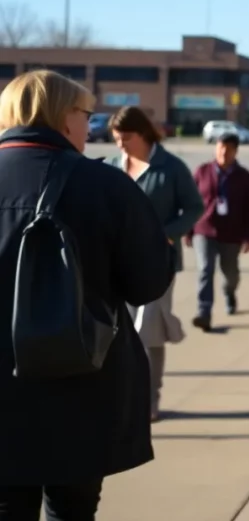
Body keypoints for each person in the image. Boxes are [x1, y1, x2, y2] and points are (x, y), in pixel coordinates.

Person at [0, 70, 171, 520]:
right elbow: (149, 283)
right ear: (61, 117)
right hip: (81, 383)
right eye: (86, 114)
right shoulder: (106, 185)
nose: (90, 126)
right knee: (73, 509)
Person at [107, 106, 203, 422]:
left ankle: (150, 399)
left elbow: (194, 208)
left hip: (156, 266)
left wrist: (167, 234)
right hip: (114, 265)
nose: (121, 145)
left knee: (149, 333)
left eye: (126, 138)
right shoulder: (110, 168)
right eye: (116, 139)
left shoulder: (171, 168)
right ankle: (122, 397)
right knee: (117, 334)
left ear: (144, 133)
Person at [186, 132, 249, 331]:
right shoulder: (202, 171)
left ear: (235, 151)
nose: (224, 152)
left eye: (228, 148)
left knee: (230, 274)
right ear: (215, 148)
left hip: (232, 233)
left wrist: (248, 235)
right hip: (204, 229)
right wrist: (188, 230)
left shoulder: (243, 176)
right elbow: (190, 202)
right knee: (205, 269)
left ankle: (230, 293)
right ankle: (204, 312)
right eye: (220, 147)